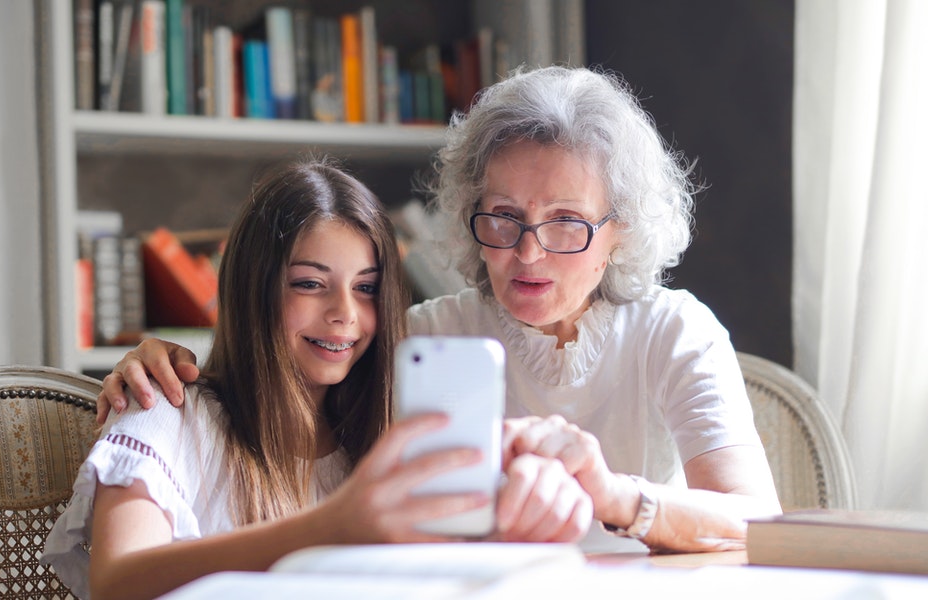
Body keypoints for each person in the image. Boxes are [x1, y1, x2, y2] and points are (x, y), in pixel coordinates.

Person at [97, 66, 783, 555]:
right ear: (468, 213)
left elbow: (757, 521)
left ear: (621, 230)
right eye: (504, 217)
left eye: (567, 223)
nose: (529, 253)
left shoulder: (674, 330)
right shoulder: (419, 339)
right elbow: (282, 389)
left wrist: (613, 496)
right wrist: (161, 362)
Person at [42, 158, 592, 600]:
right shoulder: (164, 409)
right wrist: (333, 526)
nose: (344, 315)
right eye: (310, 283)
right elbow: (117, 584)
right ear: (254, 288)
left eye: (367, 288)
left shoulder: (381, 435)